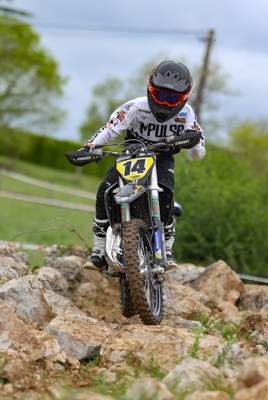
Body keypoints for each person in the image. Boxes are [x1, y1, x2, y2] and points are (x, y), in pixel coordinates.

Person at [82, 60, 206, 270]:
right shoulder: (135, 107)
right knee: (106, 190)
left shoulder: (186, 114)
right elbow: (110, 129)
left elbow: (198, 153)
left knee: (166, 192)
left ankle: (166, 248)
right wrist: (90, 146)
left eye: (172, 99)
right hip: (132, 155)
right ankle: (99, 251)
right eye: (161, 96)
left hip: (162, 158)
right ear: (150, 89)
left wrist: (190, 142)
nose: (165, 103)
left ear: (184, 97)